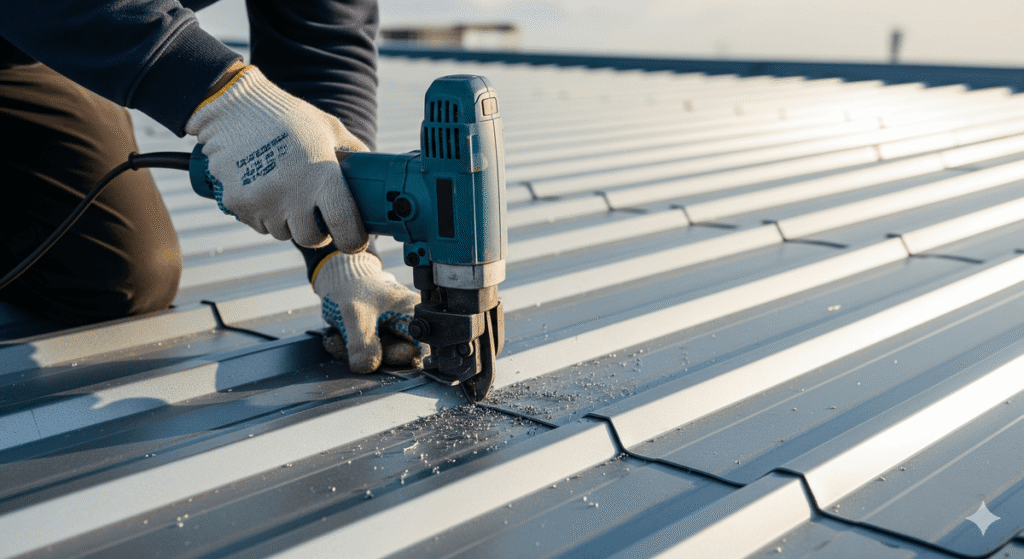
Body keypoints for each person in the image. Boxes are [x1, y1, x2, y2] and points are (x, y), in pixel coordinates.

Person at [0, 0, 421, 373]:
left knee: (115, 275)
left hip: (33, 50)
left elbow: (321, 44)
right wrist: (219, 94)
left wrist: (343, 258)